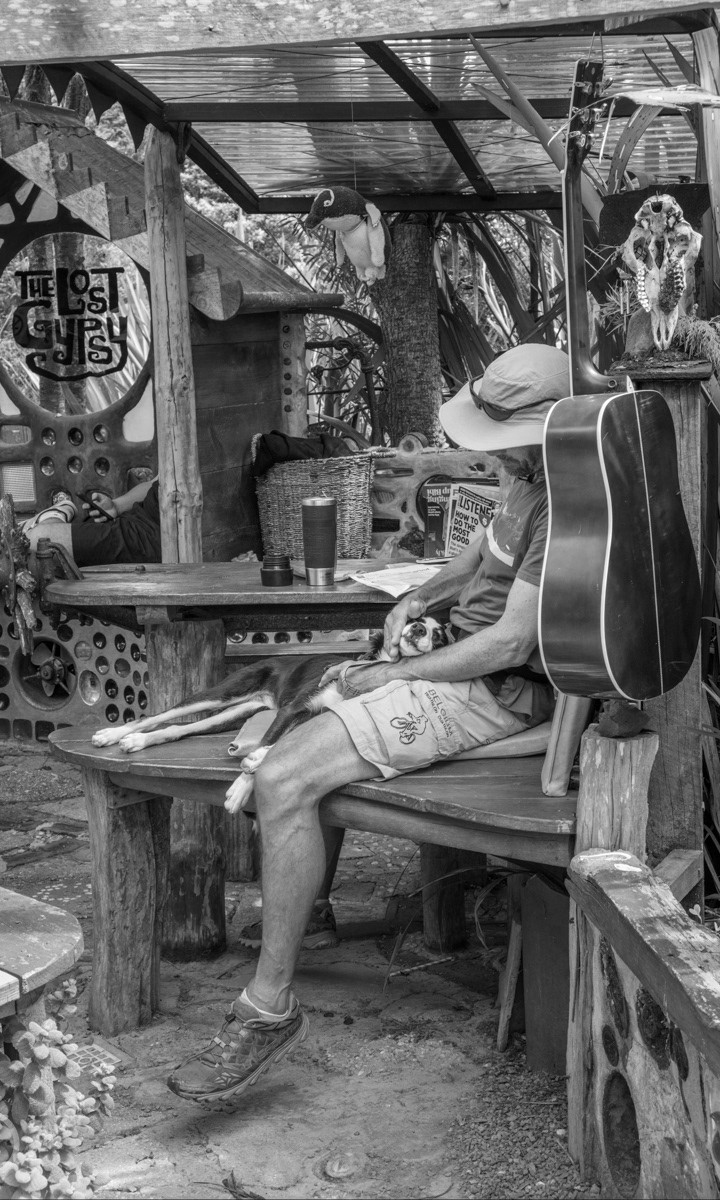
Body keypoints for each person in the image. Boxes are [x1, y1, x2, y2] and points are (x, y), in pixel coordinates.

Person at [165, 342, 573, 1105]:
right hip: (458, 659)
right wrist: (422, 594)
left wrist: (394, 673)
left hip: (495, 689)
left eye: (501, 445)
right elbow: (481, 556)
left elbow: (514, 641)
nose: (491, 458)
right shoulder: (524, 480)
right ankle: (307, 910)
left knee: (284, 775)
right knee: (307, 720)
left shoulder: (567, 501)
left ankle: (267, 1008)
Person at [0, 476, 160, 583]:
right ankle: (56, 514)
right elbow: (156, 483)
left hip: (155, 541)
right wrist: (117, 506)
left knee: (41, 542)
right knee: (41, 536)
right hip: (134, 520)